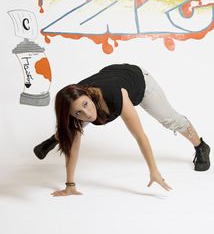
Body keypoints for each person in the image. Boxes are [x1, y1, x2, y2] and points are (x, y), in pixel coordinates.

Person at [34, 64, 210, 197]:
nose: (87, 114)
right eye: (78, 112)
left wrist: (154, 171)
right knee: (72, 132)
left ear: (87, 94)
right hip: (110, 75)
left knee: (169, 120)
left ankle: (201, 146)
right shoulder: (74, 99)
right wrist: (69, 185)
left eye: (86, 105)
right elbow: (74, 147)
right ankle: (58, 135)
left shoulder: (116, 96)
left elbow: (140, 136)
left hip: (138, 80)